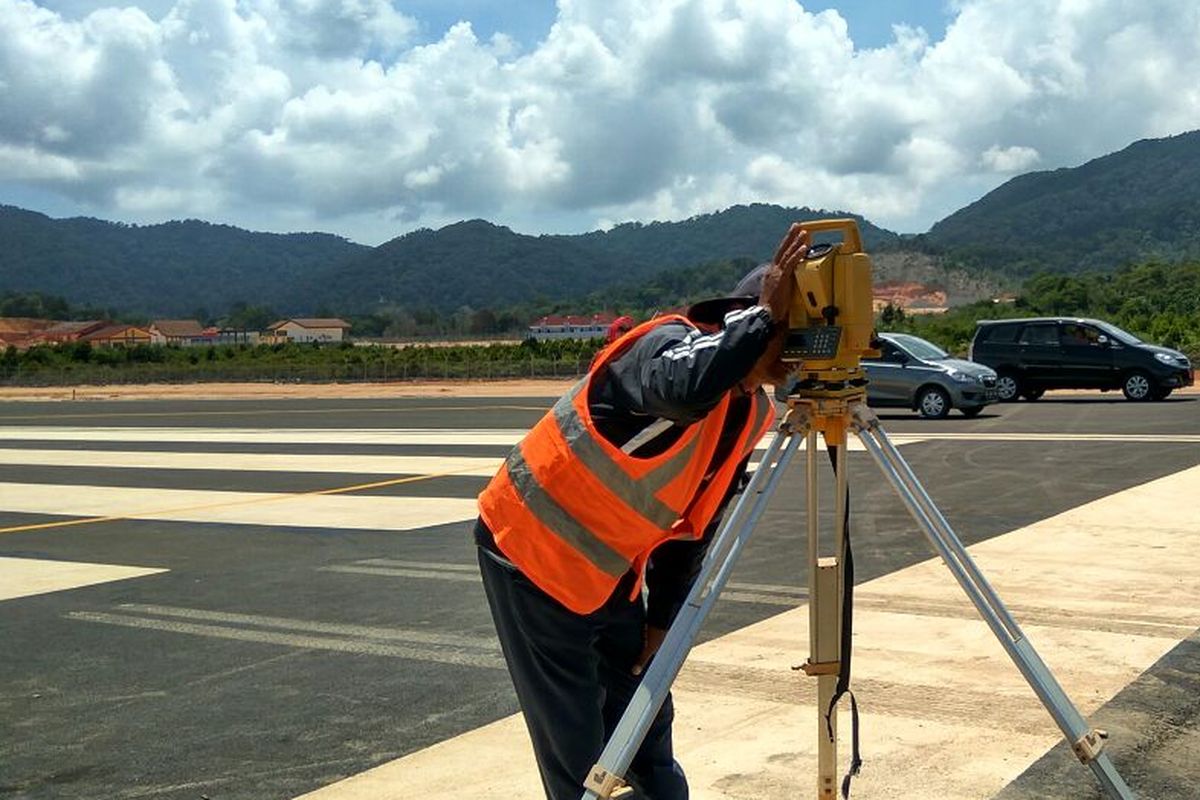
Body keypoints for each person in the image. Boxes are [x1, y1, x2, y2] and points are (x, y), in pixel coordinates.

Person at [474, 224, 810, 800]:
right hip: (529, 552)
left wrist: (661, 625)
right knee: (578, 746)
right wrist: (761, 321)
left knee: (645, 718)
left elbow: (692, 529)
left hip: (611, 573)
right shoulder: (664, 346)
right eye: (796, 333)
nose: (804, 352)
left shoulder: (749, 411)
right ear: (754, 317)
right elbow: (679, 387)